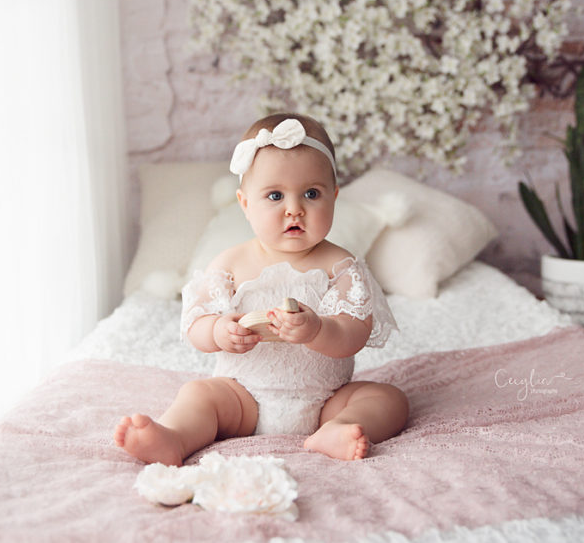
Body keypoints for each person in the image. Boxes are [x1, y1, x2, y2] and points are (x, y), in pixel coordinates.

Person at [114, 113, 409, 465]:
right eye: (274, 195)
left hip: (327, 398)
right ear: (245, 204)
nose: (294, 209)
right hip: (242, 397)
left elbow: (354, 333)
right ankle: (174, 438)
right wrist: (219, 331)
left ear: (334, 197)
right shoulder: (229, 263)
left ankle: (339, 427)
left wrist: (318, 329)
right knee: (198, 395)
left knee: (389, 400)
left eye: (311, 194)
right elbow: (196, 323)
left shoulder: (342, 266)